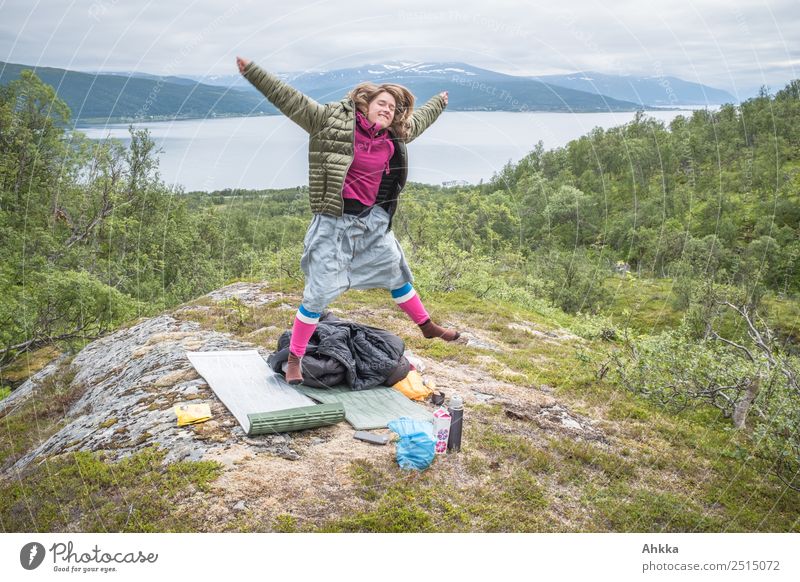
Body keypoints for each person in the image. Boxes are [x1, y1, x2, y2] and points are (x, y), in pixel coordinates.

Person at [236, 56, 461, 384]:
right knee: (317, 293)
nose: (387, 109)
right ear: (366, 103)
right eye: (381, 103)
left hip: (371, 223)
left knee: (396, 273)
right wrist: (254, 72)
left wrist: (438, 104)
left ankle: (427, 326)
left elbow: (421, 119)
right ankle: (296, 358)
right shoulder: (330, 121)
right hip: (333, 223)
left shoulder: (394, 136)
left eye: (393, 107)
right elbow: (289, 98)